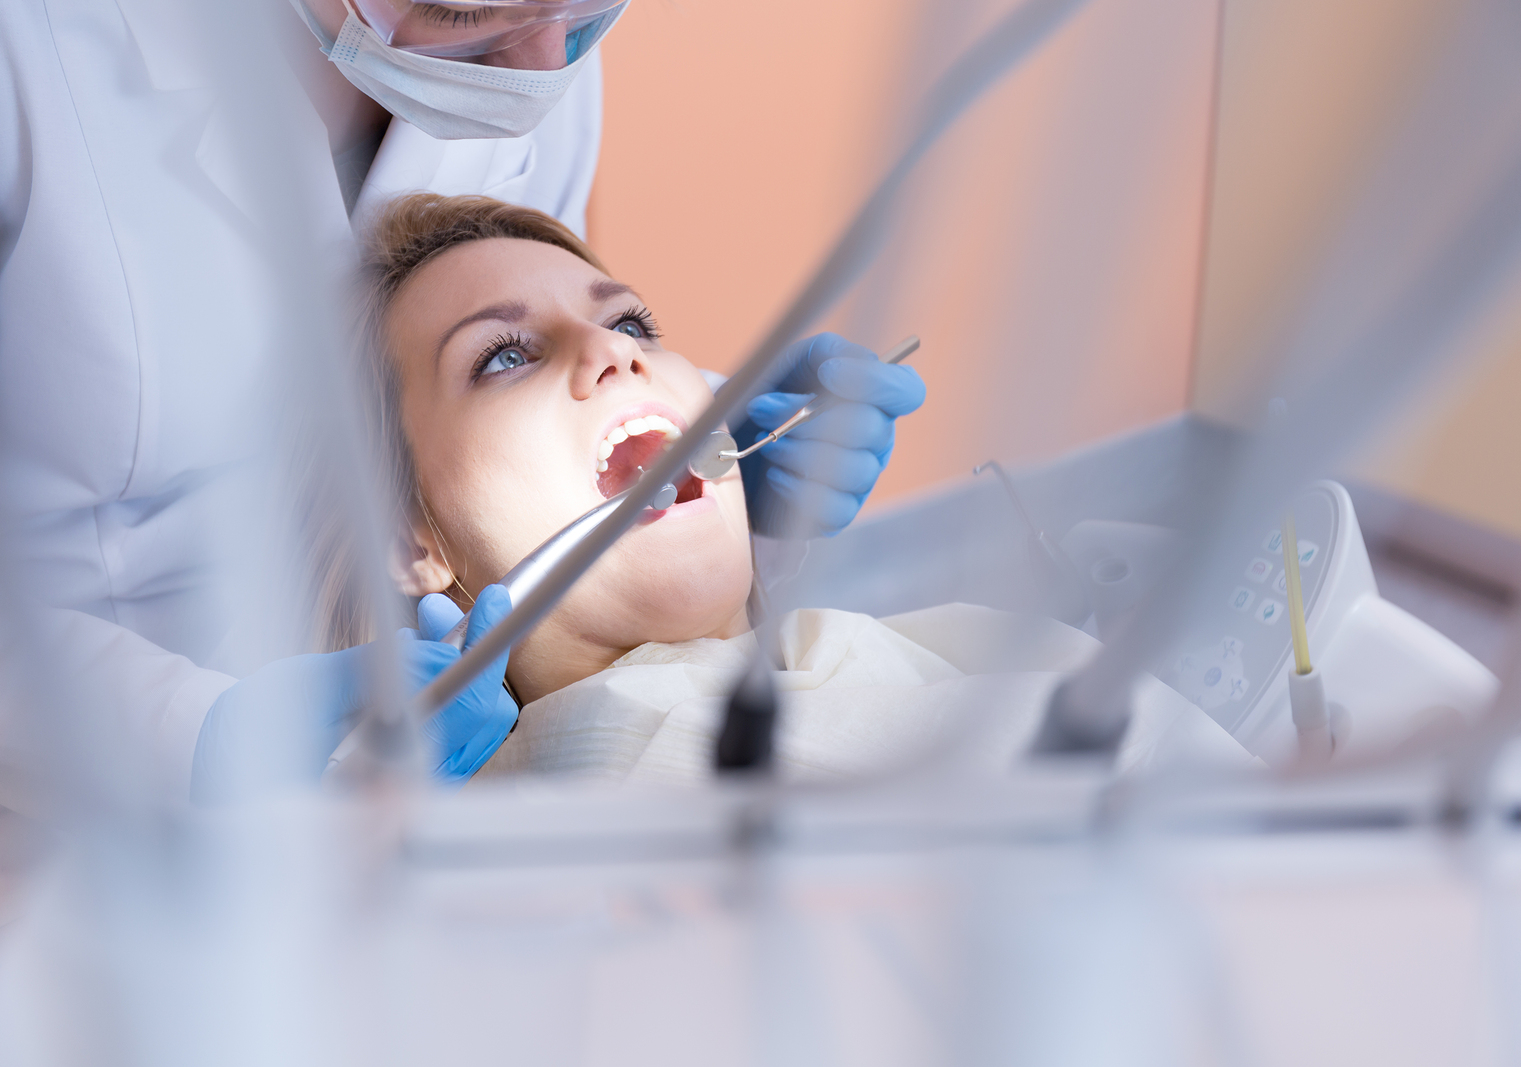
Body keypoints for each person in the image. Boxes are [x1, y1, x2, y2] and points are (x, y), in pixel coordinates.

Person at [0, 0, 924, 805]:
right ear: (406, 541)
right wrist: (195, 737)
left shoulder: (541, 38)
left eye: (638, 327)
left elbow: (545, 333)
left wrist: (708, 435)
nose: (542, 66)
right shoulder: (30, 68)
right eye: (459, 13)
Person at [355, 193, 1246, 784]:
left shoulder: (967, 650)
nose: (614, 353)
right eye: (504, 356)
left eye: (630, 321)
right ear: (408, 542)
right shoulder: (568, 818)